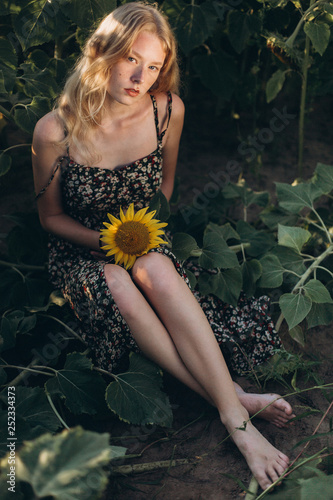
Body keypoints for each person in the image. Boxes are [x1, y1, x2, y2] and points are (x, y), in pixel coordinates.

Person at [32, 2, 295, 491]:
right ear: (102, 51)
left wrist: (140, 238)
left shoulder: (165, 108)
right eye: (131, 59)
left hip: (142, 234)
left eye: (153, 66)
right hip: (81, 250)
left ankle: (230, 411)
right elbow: (50, 218)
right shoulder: (56, 130)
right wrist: (106, 243)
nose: (140, 77)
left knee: (154, 270)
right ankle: (236, 409)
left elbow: (164, 190)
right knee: (121, 286)